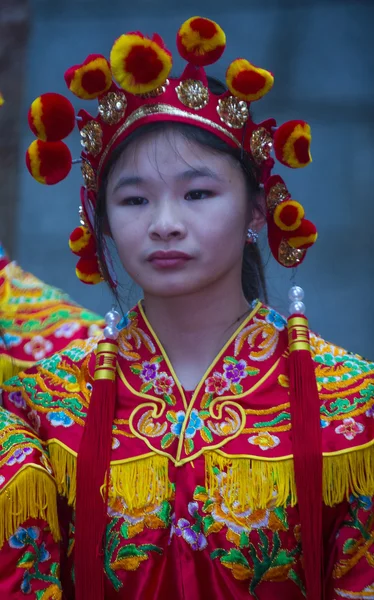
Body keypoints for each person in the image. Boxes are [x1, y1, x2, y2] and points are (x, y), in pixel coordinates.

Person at [1, 16, 373, 600]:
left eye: (198, 193)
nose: (165, 224)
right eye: (134, 199)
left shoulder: (350, 404)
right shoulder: (45, 408)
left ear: (256, 211)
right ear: (102, 225)